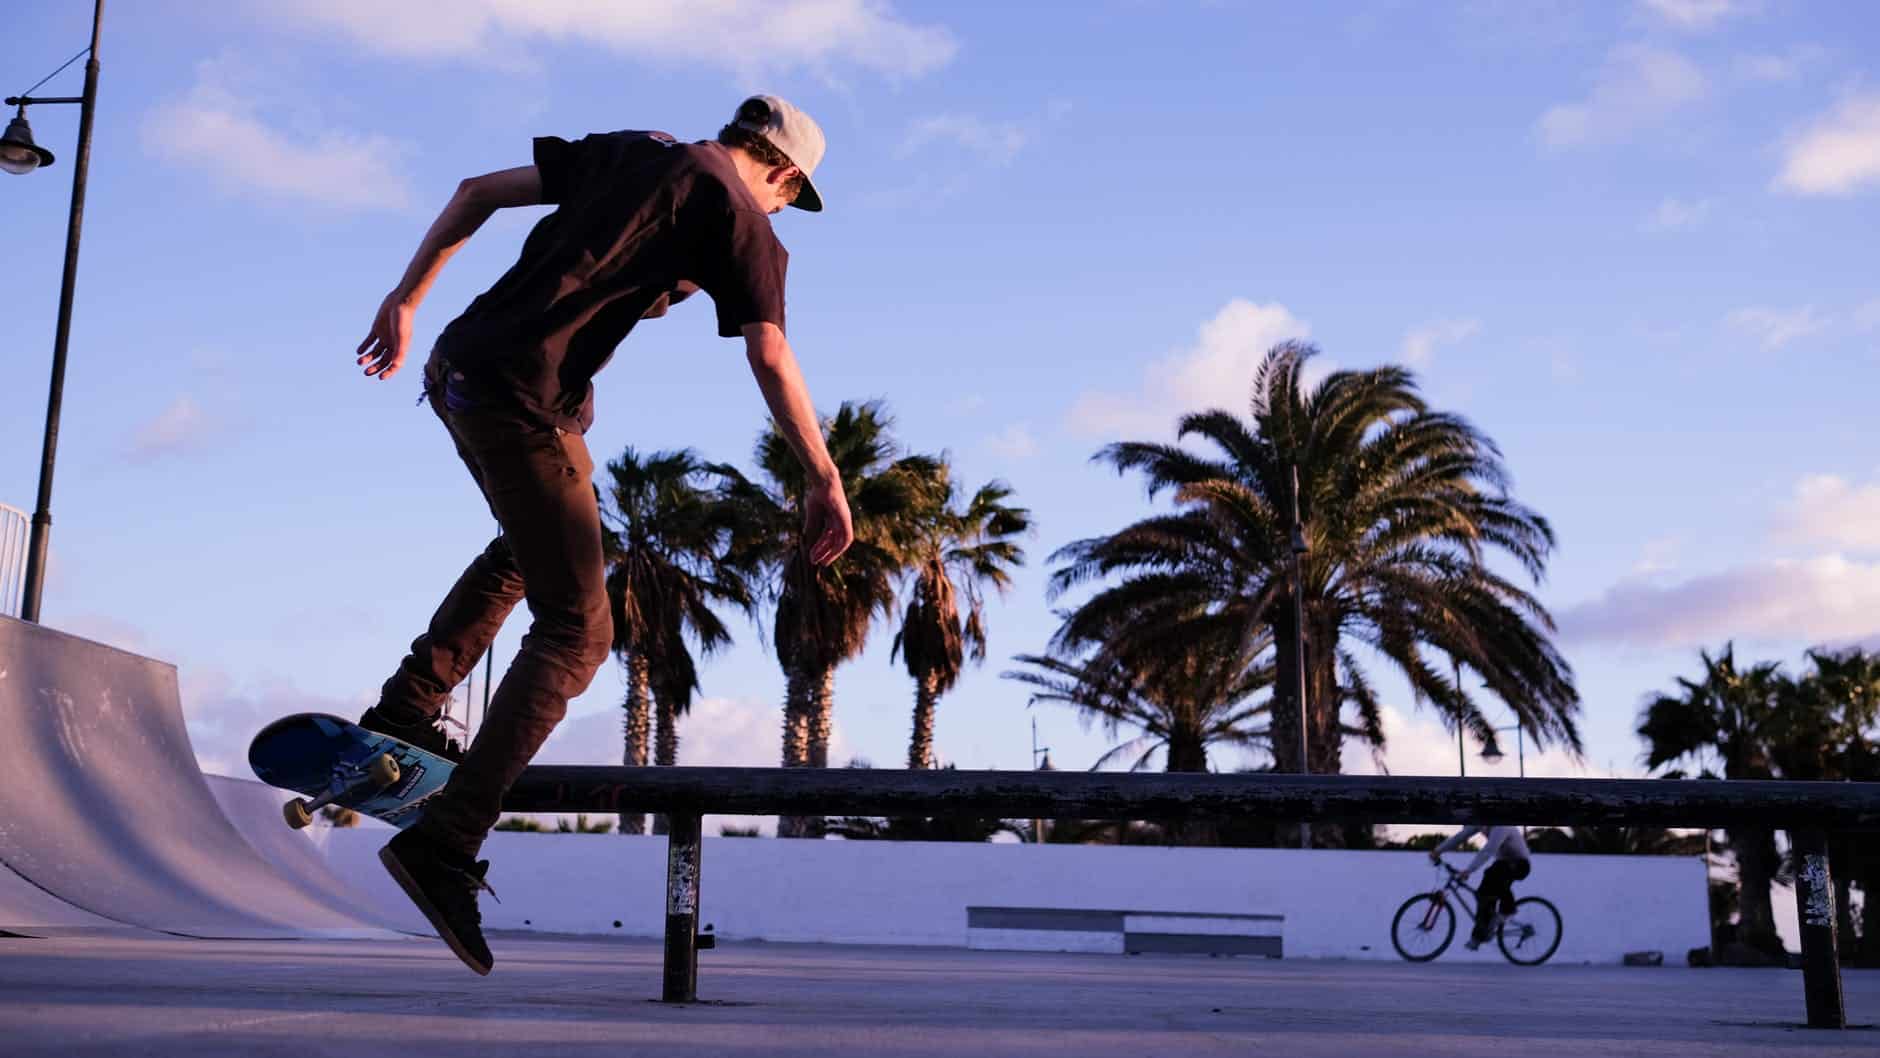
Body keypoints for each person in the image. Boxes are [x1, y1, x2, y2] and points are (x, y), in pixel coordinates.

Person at [348, 95, 854, 975]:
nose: (778, 213)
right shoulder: (743, 222)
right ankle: (446, 842)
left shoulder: (633, 149)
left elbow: (476, 191)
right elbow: (770, 354)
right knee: (581, 630)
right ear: (784, 173)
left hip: (461, 364)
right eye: (788, 199)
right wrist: (825, 474)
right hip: (523, 401)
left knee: (533, 544)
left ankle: (408, 707)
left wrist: (404, 298)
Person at [1429, 824, 1531, 949]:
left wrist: (1469, 870)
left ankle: (1508, 909)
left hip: (1520, 864)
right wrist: (1438, 850)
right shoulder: (1480, 822)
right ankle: (1480, 935)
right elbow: (1460, 838)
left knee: (1497, 875)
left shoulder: (1501, 826)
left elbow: (1489, 850)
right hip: (1502, 863)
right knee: (1482, 895)